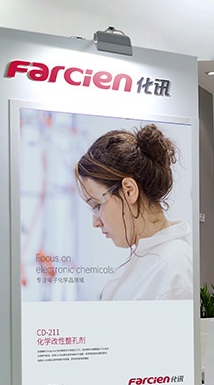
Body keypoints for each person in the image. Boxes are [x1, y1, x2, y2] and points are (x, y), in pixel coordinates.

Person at [76, 124, 192, 301]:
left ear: (129, 191)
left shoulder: (175, 271)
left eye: (97, 205)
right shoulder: (145, 261)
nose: (95, 222)